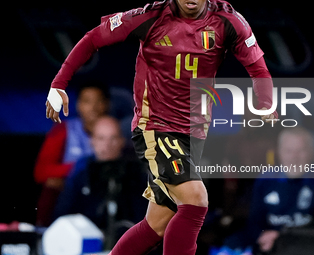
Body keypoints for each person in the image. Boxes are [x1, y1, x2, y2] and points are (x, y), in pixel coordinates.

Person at [45, 0, 277, 254]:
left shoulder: (228, 21)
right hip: (155, 128)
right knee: (196, 199)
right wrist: (59, 83)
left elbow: (256, 65)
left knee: (156, 225)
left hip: (193, 134)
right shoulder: (150, 17)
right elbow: (93, 39)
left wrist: (265, 101)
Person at [224, 127, 314, 253]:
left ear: (312, 152)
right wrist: (261, 236)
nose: (294, 157)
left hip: (307, 244)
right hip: (268, 243)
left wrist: (284, 237)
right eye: (288, 151)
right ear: (279, 152)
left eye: (301, 151)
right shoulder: (266, 179)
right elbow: (254, 220)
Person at [53, 116, 147, 247]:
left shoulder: (136, 175)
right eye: (101, 138)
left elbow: (145, 220)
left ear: (121, 141)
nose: (107, 145)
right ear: (92, 141)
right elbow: (61, 216)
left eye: (113, 138)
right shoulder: (80, 176)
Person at [35, 81, 110, 226]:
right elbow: (41, 172)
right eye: (87, 101)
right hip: (75, 191)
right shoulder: (64, 130)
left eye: (99, 101)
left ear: (107, 104)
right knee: (52, 184)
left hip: (108, 190)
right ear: (78, 105)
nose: (93, 108)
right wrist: (79, 169)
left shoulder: (116, 130)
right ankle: (45, 229)